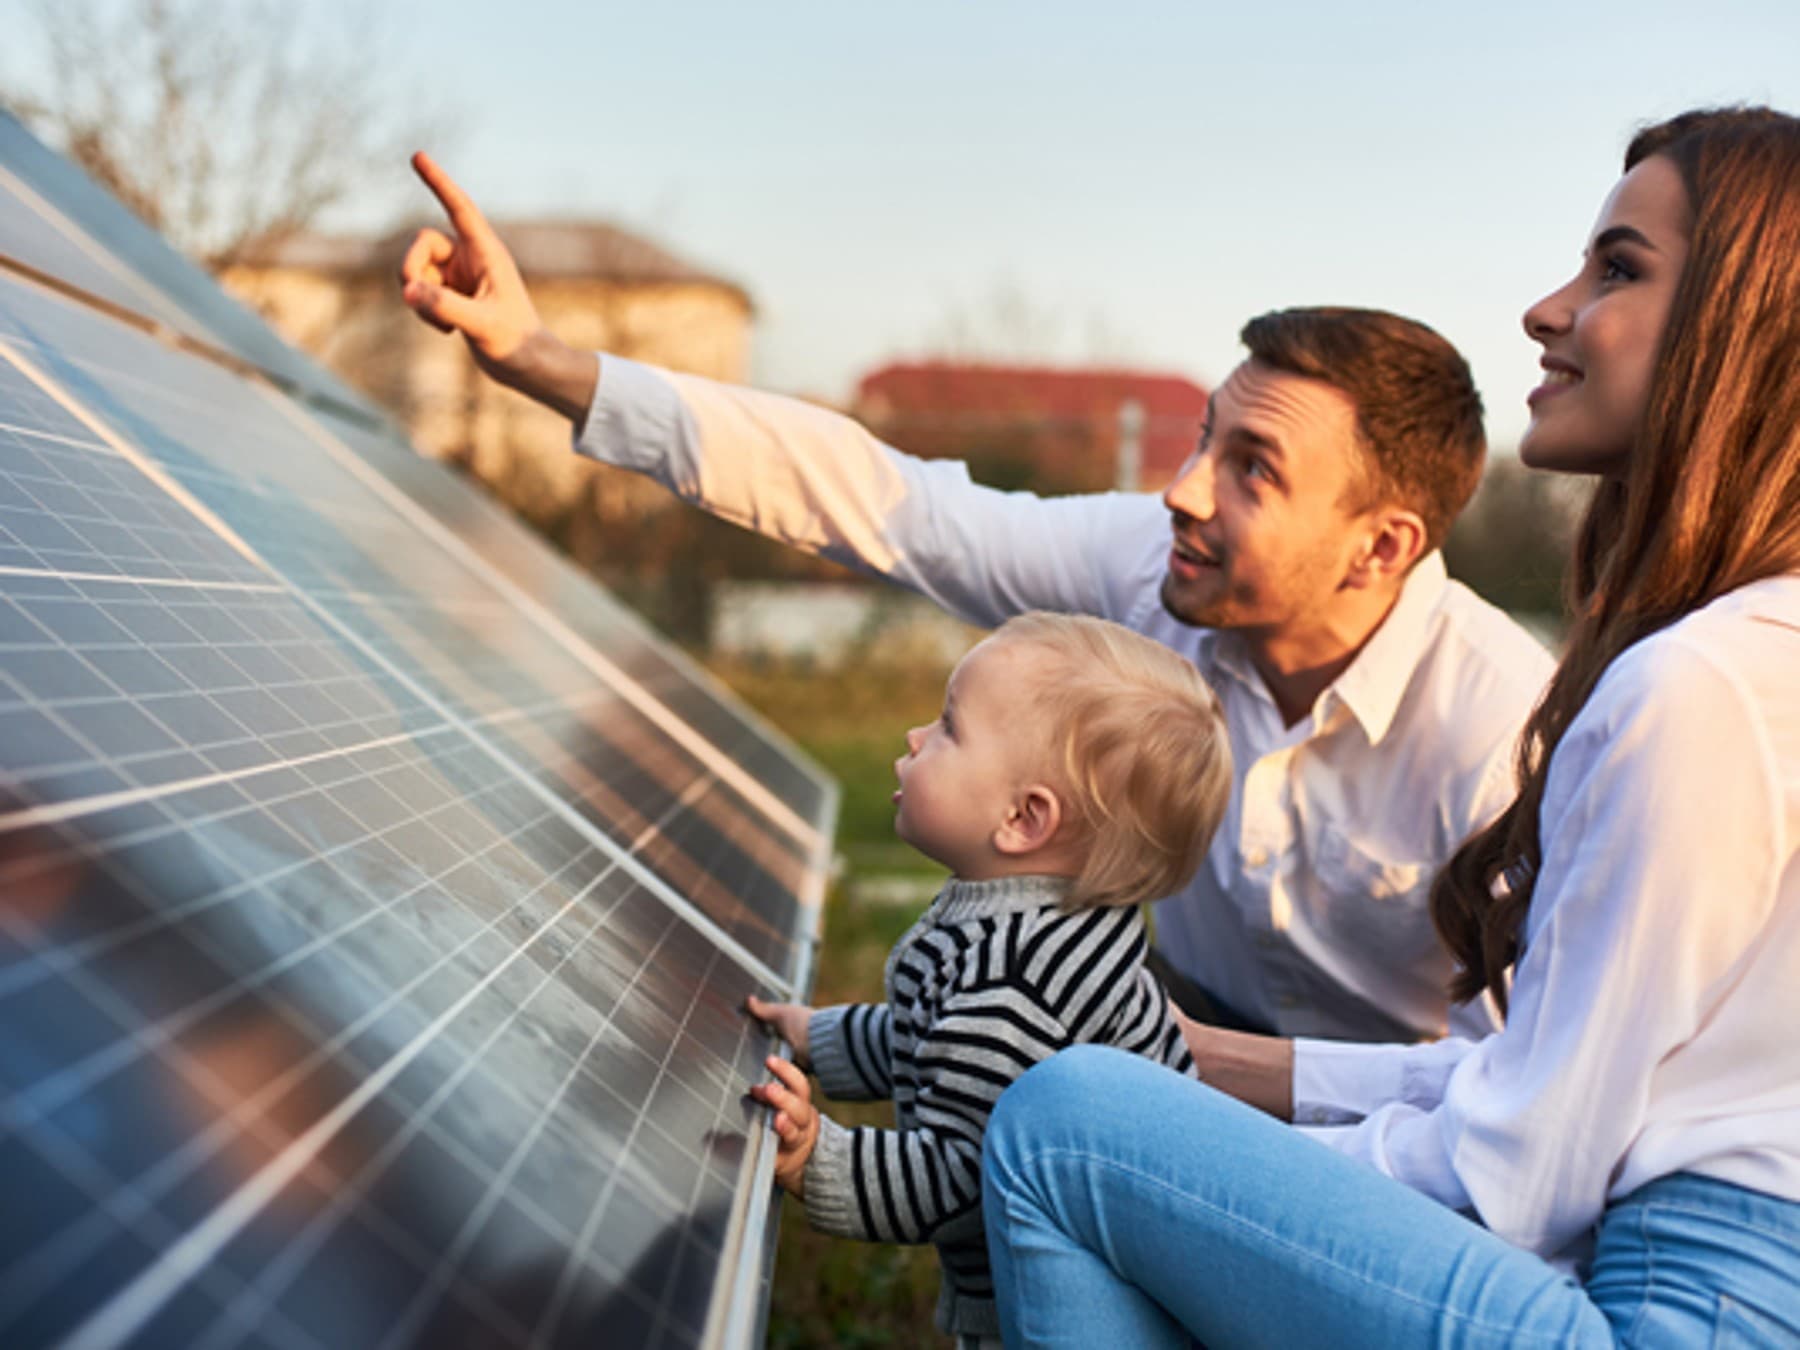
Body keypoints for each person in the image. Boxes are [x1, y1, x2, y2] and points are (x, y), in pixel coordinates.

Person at [398, 158, 1555, 1050]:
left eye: (1254, 467)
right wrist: (545, 361)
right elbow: (887, 503)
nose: (1183, 487)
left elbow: (1515, 1099)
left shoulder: (1503, 732)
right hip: (1181, 1033)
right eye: (1207, 436)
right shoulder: (1154, 566)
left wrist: (1193, 1078)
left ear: (1380, 546)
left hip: (1397, 1143)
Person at [978, 106, 1800, 1347]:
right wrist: (1205, 1070)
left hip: (1675, 1313)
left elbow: (1523, 1175)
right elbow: (1555, 1084)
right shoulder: (1759, 657)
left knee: (1060, 1125)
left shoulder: (1693, 689)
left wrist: (1207, 1187)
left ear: (1745, 332)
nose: (1547, 306)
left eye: (1619, 268)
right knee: (1126, 1112)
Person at [741, 611, 1230, 1348]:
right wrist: (820, 1037)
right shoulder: (1035, 924)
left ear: (1024, 819)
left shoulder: (1014, 985)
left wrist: (819, 1160)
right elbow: (929, 1032)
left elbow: (962, 1178)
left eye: (947, 729)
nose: (914, 738)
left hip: (1068, 1303)